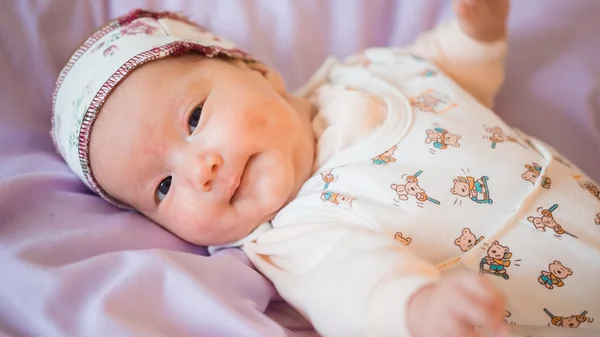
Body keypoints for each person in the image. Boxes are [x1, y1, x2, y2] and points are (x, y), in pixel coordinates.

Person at [52, 1, 600, 336]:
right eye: (164, 186)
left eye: (195, 118)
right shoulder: (297, 234)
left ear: (258, 72)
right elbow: (355, 293)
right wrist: (419, 309)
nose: (202, 168)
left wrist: (478, 35)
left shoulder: (365, 74)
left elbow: (446, 74)